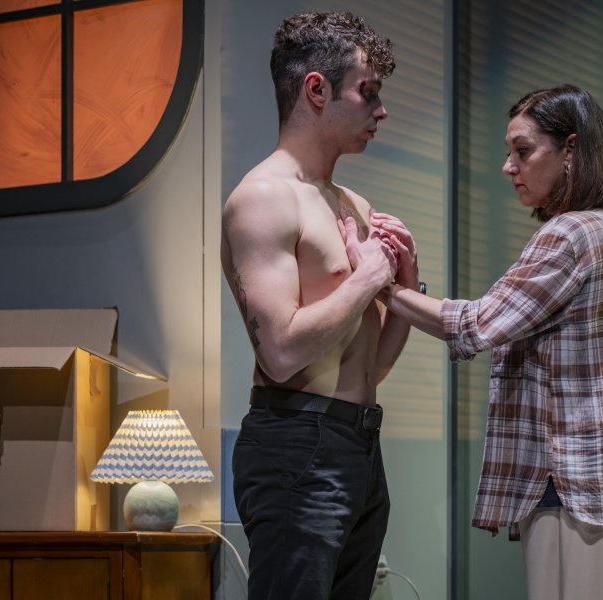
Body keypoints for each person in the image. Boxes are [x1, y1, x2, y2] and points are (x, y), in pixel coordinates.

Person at [372, 84, 603, 599]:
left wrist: (384, 285)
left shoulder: (571, 234)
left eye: (523, 151)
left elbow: (475, 324)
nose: (508, 167)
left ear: (570, 150)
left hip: (579, 488)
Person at [220, 11, 419, 600]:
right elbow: (280, 353)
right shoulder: (262, 198)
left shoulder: (353, 204)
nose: (380, 111)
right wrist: (368, 280)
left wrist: (406, 285)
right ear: (316, 89)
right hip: (296, 442)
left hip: (359, 443)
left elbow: (373, 366)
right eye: (368, 92)